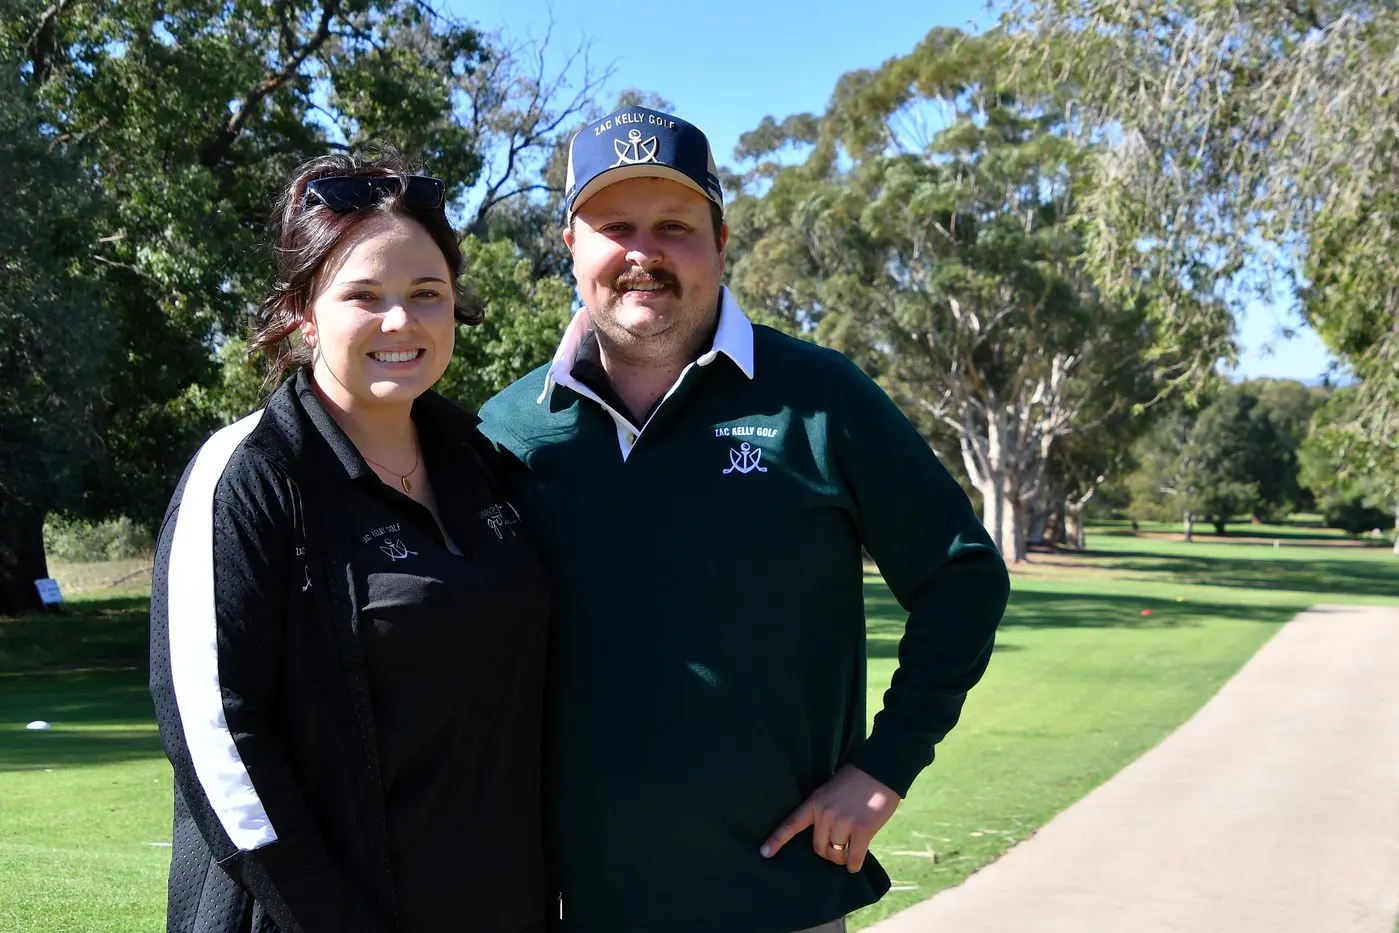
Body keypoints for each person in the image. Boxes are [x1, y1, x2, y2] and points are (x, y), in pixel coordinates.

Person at [478, 106, 1011, 933]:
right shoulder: (508, 430)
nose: (643, 253)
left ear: (721, 240)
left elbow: (961, 575)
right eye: (615, 227)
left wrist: (886, 764)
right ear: (570, 244)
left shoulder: (820, 397)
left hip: (779, 900)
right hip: (575, 907)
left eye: (674, 226)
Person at [149, 152, 551, 933]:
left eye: (426, 293)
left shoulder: (483, 463)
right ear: (304, 312)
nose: (399, 321)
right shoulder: (250, 475)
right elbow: (219, 743)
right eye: (363, 295)